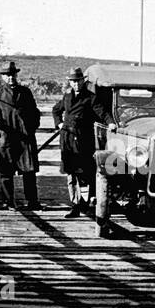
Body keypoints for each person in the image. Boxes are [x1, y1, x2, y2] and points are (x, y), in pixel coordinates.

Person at [53, 67, 115, 218]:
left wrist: (111, 123)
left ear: (83, 81)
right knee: (71, 173)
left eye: (78, 81)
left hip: (83, 140)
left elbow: (102, 112)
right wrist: (59, 123)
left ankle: (88, 204)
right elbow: (56, 110)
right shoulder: (67, 96)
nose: (75, 84)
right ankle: (75, 205)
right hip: (67, 139)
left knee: (87, 172)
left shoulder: (90, 97)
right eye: (72, 81)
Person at [0, 62, 40, 210]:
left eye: (13, 74)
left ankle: (32, 202)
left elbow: (35, 113)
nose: (10, 77)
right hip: (7, 140)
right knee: (5, 172)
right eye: (7, 75)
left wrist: (32, 128)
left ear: (16, 75)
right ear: (2, 77)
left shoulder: (25, 92)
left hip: (25, 139)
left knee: (29, 171)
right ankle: (9, 202)